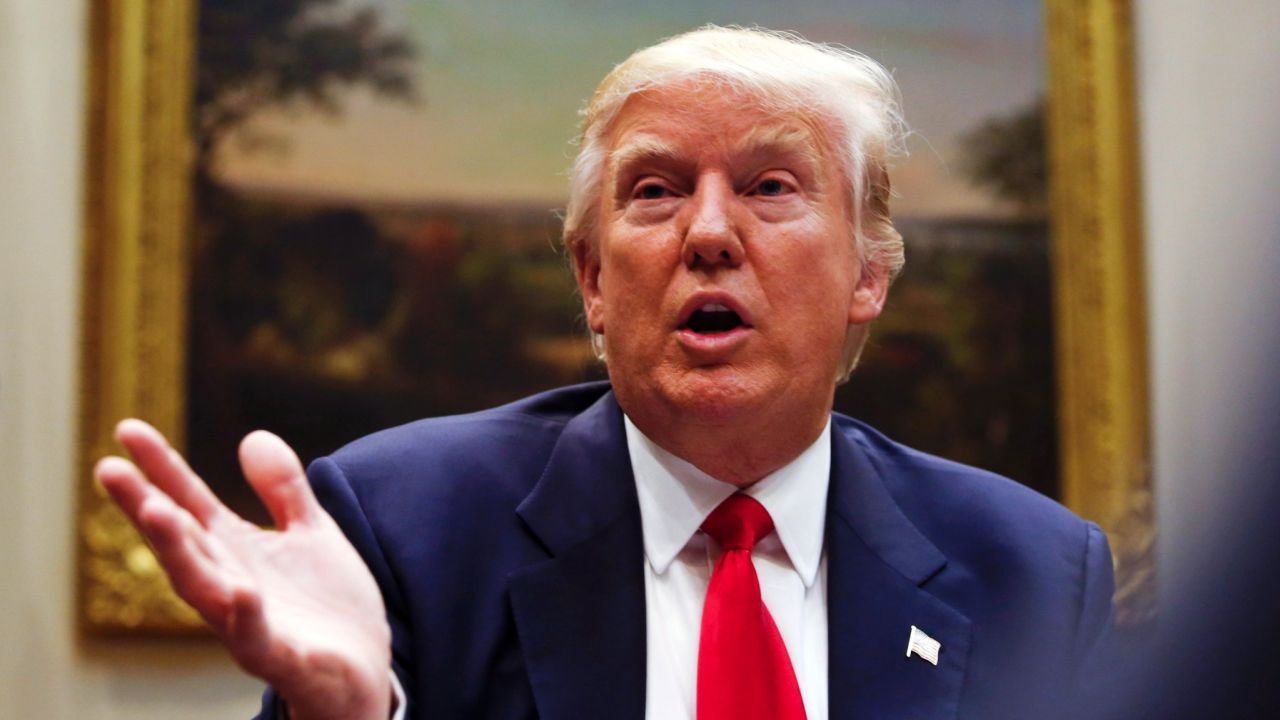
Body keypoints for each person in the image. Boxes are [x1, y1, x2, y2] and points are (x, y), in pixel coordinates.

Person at [95, 26, 1114, 720]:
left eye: (768, 186)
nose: (708, 231)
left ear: (867, 274)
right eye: (657, 190)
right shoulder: (400, 528)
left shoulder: (1031, 573)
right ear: (590, 279)